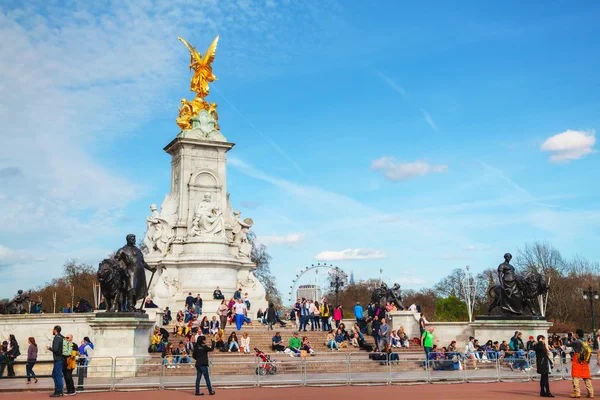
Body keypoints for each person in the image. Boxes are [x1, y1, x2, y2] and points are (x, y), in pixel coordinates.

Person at [567, 329, 594, 398]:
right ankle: (591, 393)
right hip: (585, 361)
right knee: (586, 377)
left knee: (575, 376)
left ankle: (577, 392)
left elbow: (567, 344)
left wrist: (569, 337)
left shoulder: (576, 342)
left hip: (577, 359)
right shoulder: (585, 341)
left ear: (577, 335)